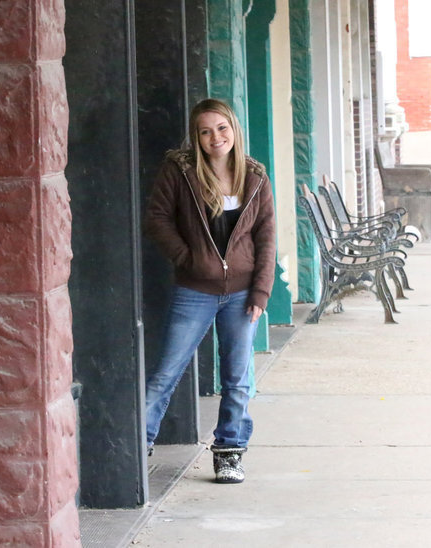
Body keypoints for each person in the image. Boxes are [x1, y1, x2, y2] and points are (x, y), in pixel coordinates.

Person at [143, 98, 276, 484]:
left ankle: (229, 453)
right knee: (165, 373)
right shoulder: (180, 172)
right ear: (196, 137)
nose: (215, 137)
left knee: (237, 379)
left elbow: (266, 236)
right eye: (205, 131)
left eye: (222, 128)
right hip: (194, 290)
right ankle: (140, 444)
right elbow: (157, 218)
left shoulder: (255, 178)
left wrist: (261, 292)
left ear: (234, 130)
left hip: (242, 293)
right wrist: (186, 257)